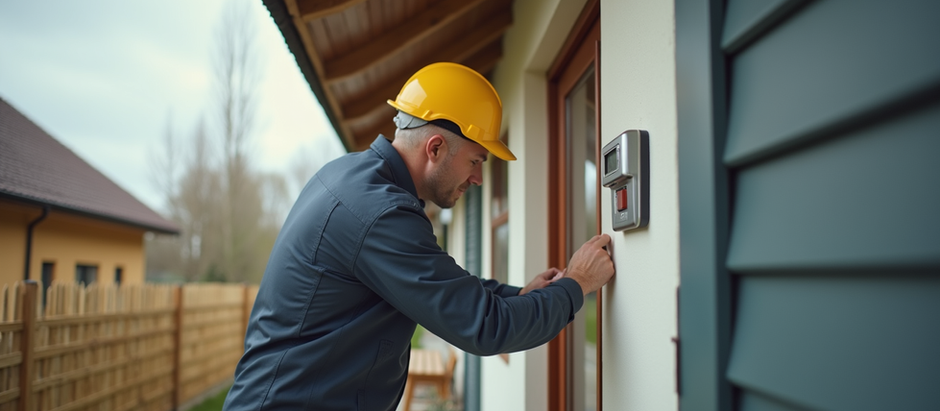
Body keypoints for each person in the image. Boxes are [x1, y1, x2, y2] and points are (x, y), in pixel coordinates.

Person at [222, 62, 614, 410]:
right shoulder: (380, 214)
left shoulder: (349, 177)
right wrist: (577, 284)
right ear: (436, 147)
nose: (478, 178)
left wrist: (518, 295)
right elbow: (486, 327)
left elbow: (441, 284)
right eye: (476, 161)